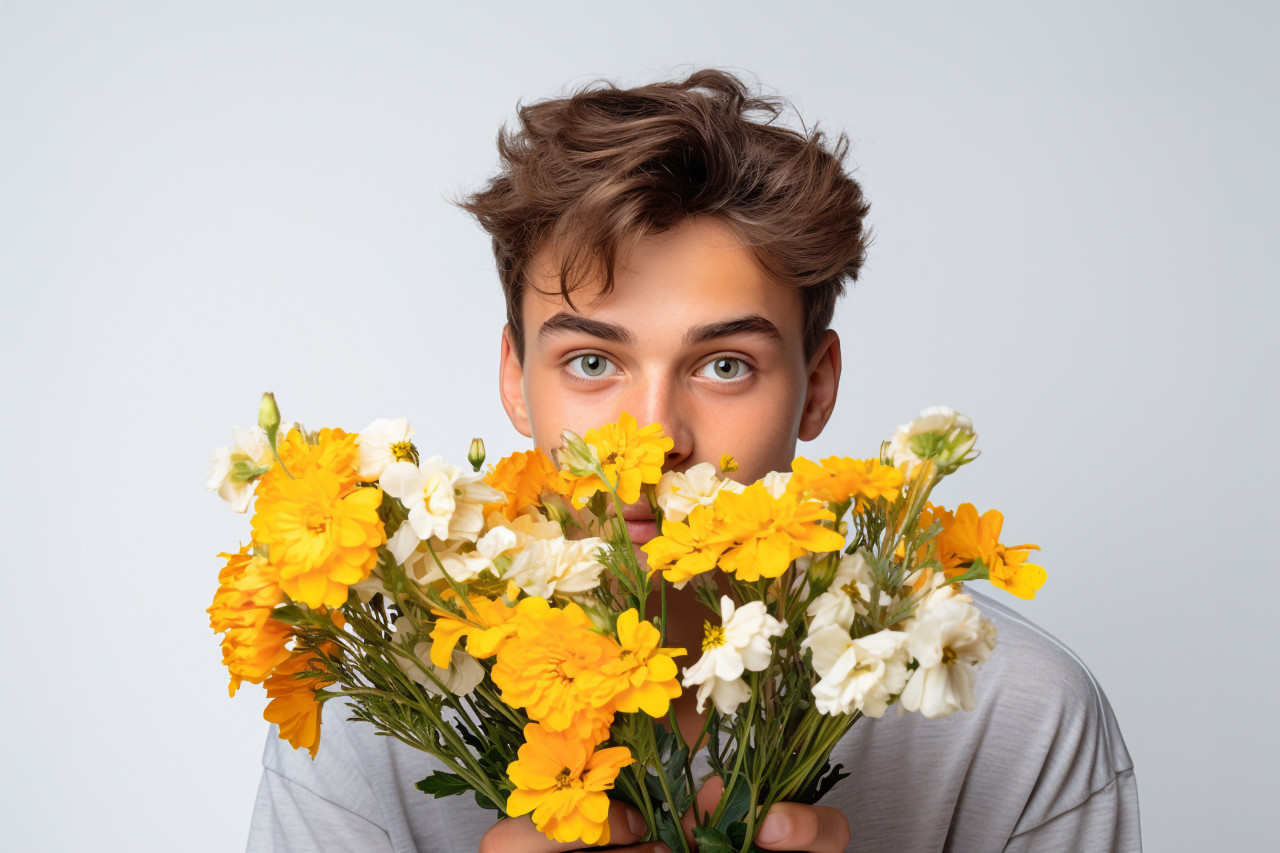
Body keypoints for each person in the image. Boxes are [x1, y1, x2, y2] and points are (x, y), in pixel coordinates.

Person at [247, 69, 1141, 852]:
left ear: (817, 386)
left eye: (724, 365)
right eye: (592, 362)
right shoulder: (376, 712)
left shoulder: (1015, 715)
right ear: (517, 384)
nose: (657, 436)